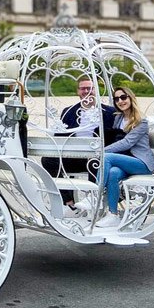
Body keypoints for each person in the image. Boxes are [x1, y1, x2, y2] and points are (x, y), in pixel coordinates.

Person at [41, 76, 116, 214]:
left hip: (99, 157)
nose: (87, 91)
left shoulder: (110, 112)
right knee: (48, 160)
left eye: (90, 88)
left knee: (95, 160)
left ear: (96, 90)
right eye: (83, 88)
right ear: (78, 91)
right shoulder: (69, 111)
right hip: (75, 156)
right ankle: (69, 202)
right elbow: (60, 136)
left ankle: (93, 199)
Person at [90, 86, 154, 228]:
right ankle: (112, 214)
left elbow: (127, 142)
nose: (120, 101)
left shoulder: (141, 121)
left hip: (141, 163)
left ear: (131, 98)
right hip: (126, 159)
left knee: (107, 157)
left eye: (123, 97)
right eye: (117, 99)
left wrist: (103, 151)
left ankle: (94, 195)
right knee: (113, 172)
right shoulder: (118, 118)